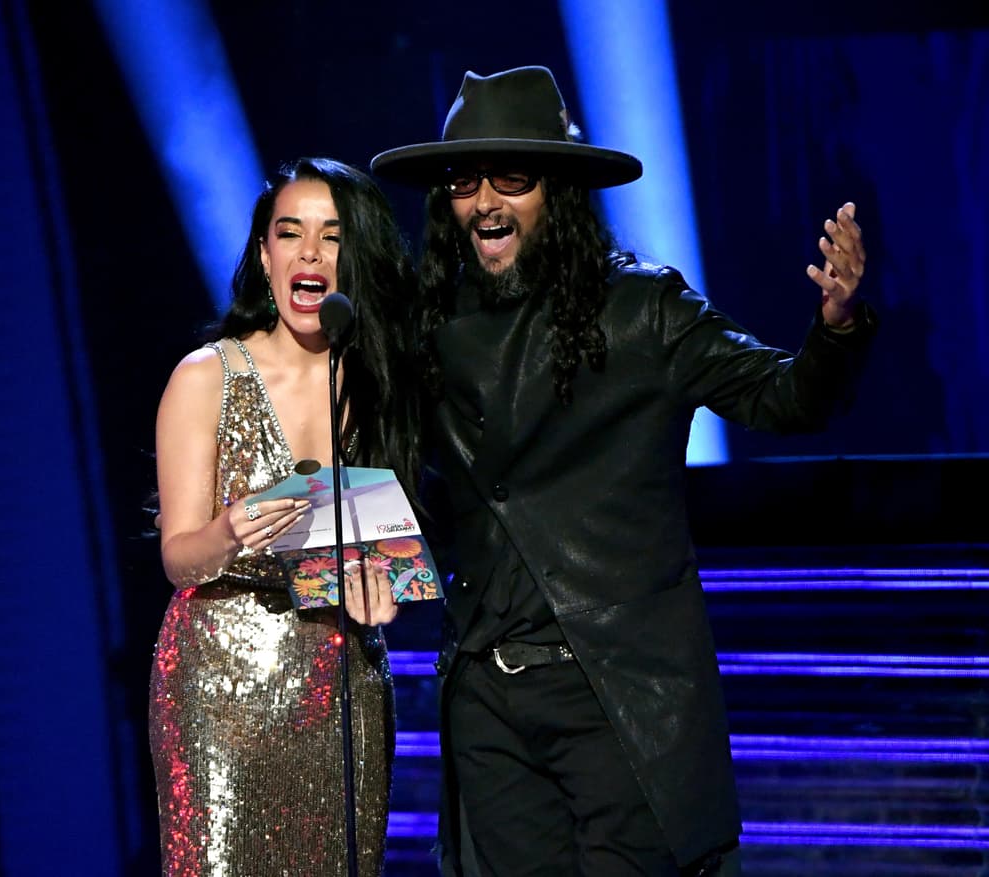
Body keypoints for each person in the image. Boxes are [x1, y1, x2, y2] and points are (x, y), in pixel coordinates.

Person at [369, 66, 876, 876]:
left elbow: (785, 399)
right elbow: (383, 469)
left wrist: (837, 327)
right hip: (487, 704)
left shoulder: (642, 309)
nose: (485, 201)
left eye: (512, 176)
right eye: (464, 179)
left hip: (617, 690)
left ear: (559, 188)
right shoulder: (426, 326)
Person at [148, 156, 425, 875]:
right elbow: (177, 555)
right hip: (221, 682)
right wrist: (228, 529)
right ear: (263, 254)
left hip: (342, 682)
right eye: (289, 232)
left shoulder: (375, 381)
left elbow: (381, 548)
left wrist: (380, 591)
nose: (309, 253)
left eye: (332, 236)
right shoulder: (206, 376)